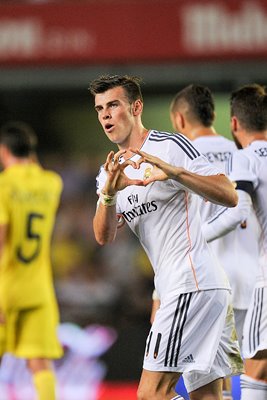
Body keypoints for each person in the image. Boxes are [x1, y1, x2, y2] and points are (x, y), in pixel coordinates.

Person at [89, 74, 243, 400]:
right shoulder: (110, 172)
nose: (104, 114)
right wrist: (108, 196)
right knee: (207, 396)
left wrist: (174, 172)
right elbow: (103, 236)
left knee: (150, 394)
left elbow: (229, 194)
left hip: (191, 283)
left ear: (136, 107)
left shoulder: (169, 147)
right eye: (100, 107)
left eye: (113, 105)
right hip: (191, 287)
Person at [168, 85, 260, 399]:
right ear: (217, 117)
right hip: (250, 276)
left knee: (211, 382)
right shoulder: (240, 152)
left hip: (205, 281)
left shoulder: (181, 160)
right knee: (252, 371)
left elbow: (173, 228)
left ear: (179, 119)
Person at [200, 84, 267, 400]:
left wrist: (195, 237)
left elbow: (237, 208)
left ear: (235, 123)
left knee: (256, 363)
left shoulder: (245, 158)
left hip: (264, 277)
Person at [0, 121, 63, 400]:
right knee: (39, 362)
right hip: (38, 288)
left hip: (6, 286)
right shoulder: (51, 183)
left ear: (3, 151)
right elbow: (34, 169)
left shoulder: (3, 186)